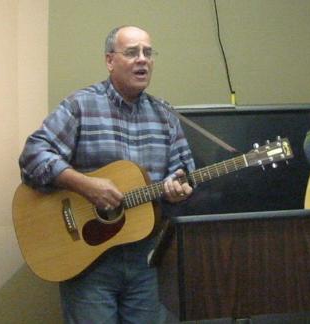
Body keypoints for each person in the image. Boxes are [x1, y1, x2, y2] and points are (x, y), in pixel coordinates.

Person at [19, 25, 195, 324]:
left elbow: (183, 174)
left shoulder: (165, 116)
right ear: (110, 60)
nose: (143, 59)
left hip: (146, 260)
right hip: (88, 261)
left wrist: (179, 189)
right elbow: (33, 155)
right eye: (132, 52)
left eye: (148, 53)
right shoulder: (81, 105)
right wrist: (85, 185)